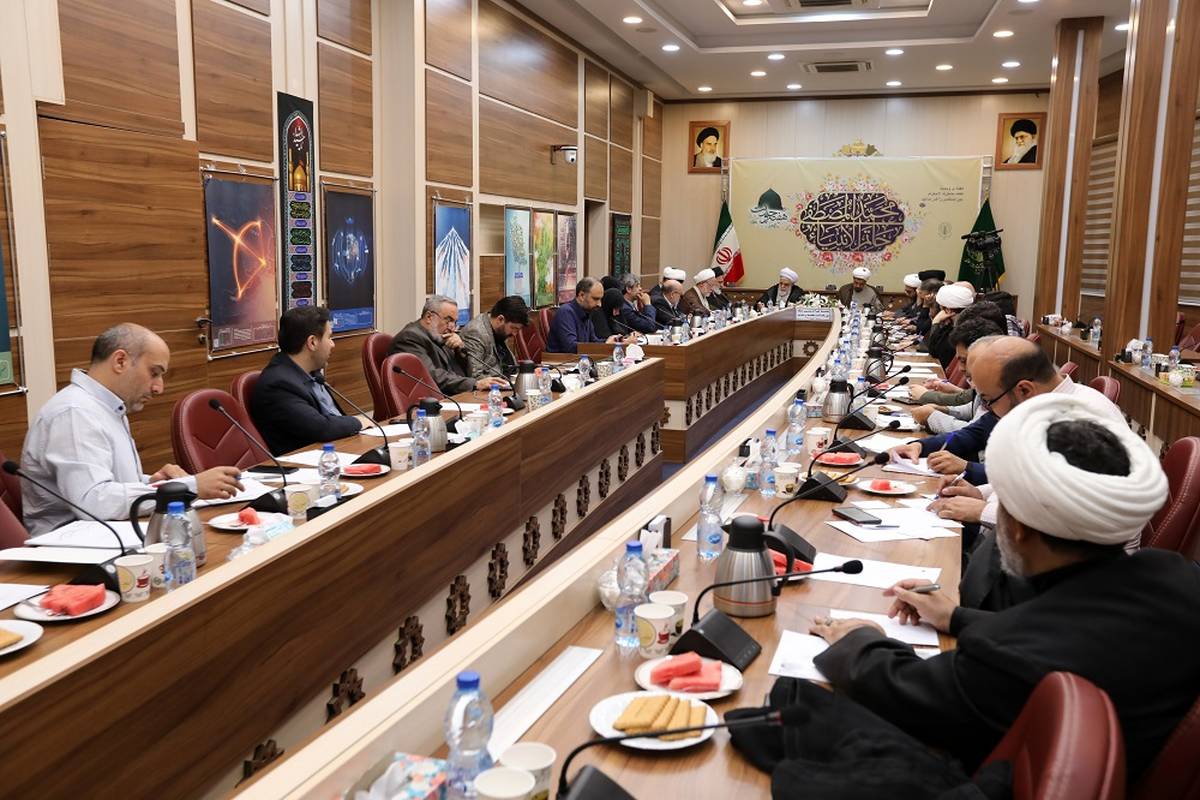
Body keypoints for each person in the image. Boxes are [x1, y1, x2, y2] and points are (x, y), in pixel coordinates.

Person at [809, 395, 1199, 783]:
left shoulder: (1010, 654)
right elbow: (1080, 632)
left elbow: (905, 693)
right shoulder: (1177, 575)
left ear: (1018, 528)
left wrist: (860, 641)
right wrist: (955, 617)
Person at [20, 324, 244, 535]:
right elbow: (93, 501)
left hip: (112, 534)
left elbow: (109, 485)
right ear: (120, 361)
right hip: (73, 550)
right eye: (154, 373)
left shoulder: (106, 407)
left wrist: (153, 483)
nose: (159, 387)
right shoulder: (74, 412)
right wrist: (188, 487)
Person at [251, 306, 370, 456]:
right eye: (329, 337)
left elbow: (334, 418)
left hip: (339, 450)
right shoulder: (277, 384)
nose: (333, 344)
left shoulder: (312, 375)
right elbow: (321, 428)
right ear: (312, 342)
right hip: (309, 463)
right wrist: (359, 422)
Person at [390, 295, 500, 396]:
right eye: (448, 320)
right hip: (429, 401)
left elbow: (466, 372)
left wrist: (460, 348)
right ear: (429, 317)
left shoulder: (439, 334)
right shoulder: (410, 338)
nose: (452, 327)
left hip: (454, 396)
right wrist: (475, 384)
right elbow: (432, 376)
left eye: (454, 322)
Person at [459, 295, 529, 380]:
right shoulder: (475, 332)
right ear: (500, 319)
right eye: (513, 328)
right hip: (494, 386)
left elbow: (508, 365)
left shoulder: (499, 330)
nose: (515, 334)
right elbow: (476, 376)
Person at [546, 277, 623, 353]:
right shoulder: (565, 312)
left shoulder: (587, 312)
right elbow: (571, 347)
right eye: (595, 299)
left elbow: (593, 341)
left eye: (600, 299)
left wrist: (611, 341)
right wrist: (605, 345)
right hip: (561, 359)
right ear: (581, 295)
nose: (599, 304)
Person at [925, 282, 975, 369]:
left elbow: (936, 353)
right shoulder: (950, 325)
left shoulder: (962, 331)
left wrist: (936, 322)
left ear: (948, 310)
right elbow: (932, 351)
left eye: (941, 308)